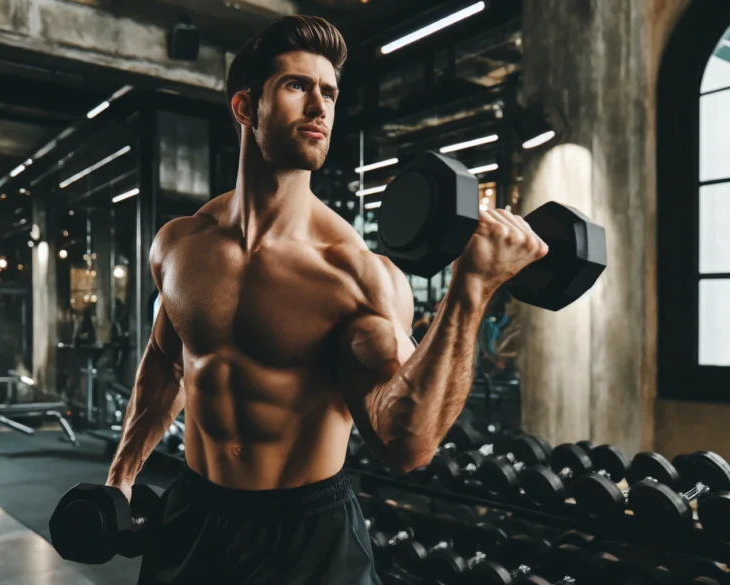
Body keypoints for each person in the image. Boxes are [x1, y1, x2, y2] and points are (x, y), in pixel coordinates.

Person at [106, 15, 548, 585]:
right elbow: (167, 363)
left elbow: (406, 442)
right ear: (246, 108)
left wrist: (472, 289)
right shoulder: (180, 244)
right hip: (193, 514)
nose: (320, 107)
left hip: (304, 539)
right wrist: (122, 474)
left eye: (330, 93)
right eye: (297, 86)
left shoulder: (355, 275)